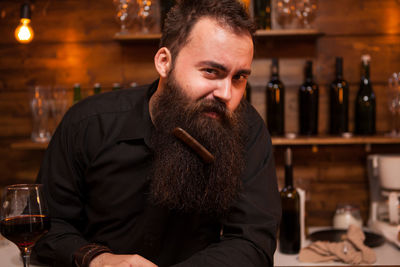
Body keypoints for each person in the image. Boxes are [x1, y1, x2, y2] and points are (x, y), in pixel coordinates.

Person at [33, 0, 281, 266]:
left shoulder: (247, 129)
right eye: (211, 72)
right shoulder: (87, 124)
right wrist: (99, 259)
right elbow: (47, 226)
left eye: (239, 78)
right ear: (164, 62)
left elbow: (252, 241)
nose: (226, 93)